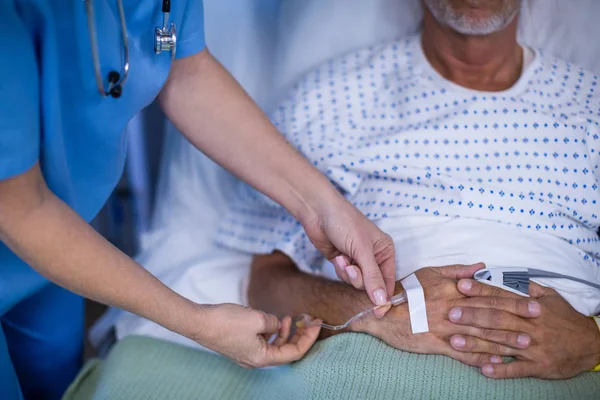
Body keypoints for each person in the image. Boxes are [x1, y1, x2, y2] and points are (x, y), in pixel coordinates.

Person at [0, 1, 398, 398]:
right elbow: (20, 208)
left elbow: (185, 71)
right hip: (25, 224)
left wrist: (323, 206)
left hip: (60, 247)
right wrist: (198, 323)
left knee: (52, 382)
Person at [215, 0, 600, 380]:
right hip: (366, 362)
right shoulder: (332, 99)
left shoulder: (590, 105)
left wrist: (591, 340)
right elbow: (266, 283)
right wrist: (382, 312)